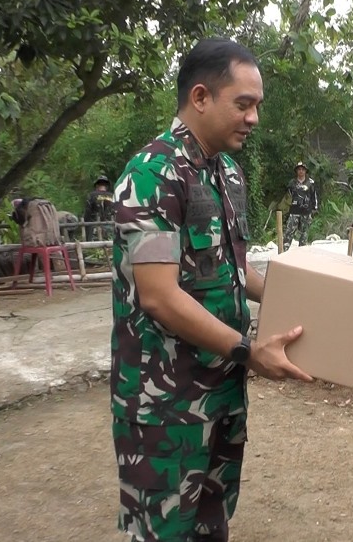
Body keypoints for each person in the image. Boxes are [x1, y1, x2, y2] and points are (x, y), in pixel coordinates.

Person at [111, 38, 312, 542]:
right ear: (201, 97)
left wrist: (303, 299)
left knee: (211, 526)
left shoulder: (227, 172)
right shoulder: (152, 174)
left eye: (257, 106)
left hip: (220, 395)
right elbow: (158, 295)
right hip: (164, 405)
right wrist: (249, 351)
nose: (254, 118)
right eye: (243, 104)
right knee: (164, 533)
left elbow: (231, 268)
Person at [282, 161, 318, 251]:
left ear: (305, 171)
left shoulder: (311, 183)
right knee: (289, 232)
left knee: (304, 234)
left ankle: (302, 253)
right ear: (296, 171)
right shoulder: (292, 183)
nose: (301, 171)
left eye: (303, 169)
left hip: (306, 212)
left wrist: (315, 208)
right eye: (299, 169)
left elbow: (314, 196)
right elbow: (287, 197)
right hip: (294, 211)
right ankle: (284, 252)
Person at [84, 175, 115, 240]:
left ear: (97, 186)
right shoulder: (112, 196)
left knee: (93, 248)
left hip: (94, 227)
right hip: (110, 227)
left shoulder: (91, 195)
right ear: (107, 186)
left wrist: (86, 224)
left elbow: (87, 213)